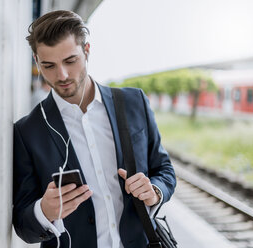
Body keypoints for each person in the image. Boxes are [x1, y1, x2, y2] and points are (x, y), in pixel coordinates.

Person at [13, 10, 176, 248]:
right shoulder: (27, 131)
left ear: (86, 51)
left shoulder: (134, 102)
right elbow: (23, 225)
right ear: (37, 61)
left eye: (70, 61)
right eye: (49, 65)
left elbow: (164, 170)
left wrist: (155, 192)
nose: (62, 75)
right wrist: (44, 211)